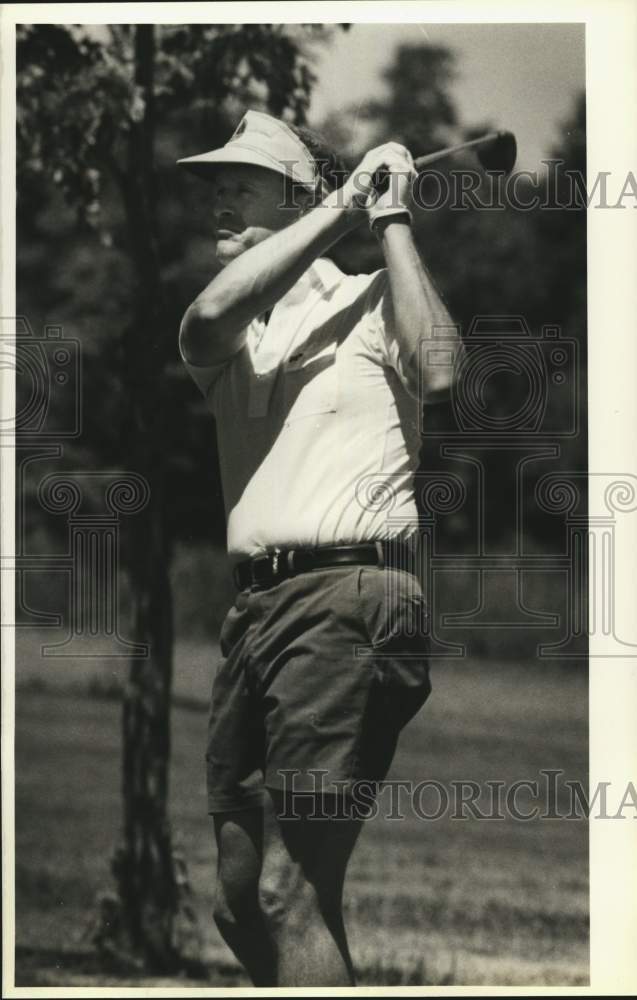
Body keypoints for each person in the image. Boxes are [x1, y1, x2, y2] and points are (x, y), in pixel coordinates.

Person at [177, 110, 464, 987]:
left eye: (242, 183)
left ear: (293, 194)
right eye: (214, 184)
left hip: (352, 602)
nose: (218, 198)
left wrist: (389, 219)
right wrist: (344, 203)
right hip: (255, 614)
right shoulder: (226, 337)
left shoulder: (372, 296)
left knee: (286, 893)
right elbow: (210, 313)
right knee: (239, 900)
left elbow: (443, 368)